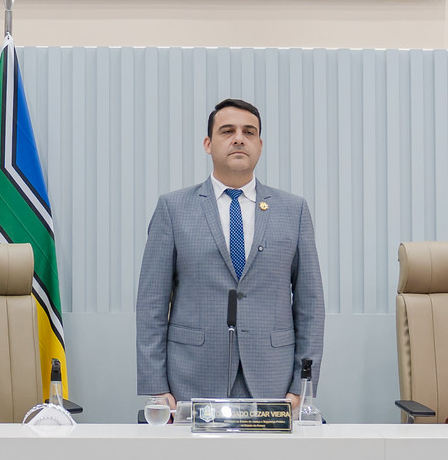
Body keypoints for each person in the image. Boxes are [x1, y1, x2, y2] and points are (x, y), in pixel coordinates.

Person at [136, 97, 323, 410]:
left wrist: (303, 386)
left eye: (249, 132)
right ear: (208, 144)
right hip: (191, 377)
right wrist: (156, 385)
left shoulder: (293, 210)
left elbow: (311, 304)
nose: (239, 138)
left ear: (260, 146)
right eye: (228, 131)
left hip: (272, 380)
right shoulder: (173, 208)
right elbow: (151, 303)